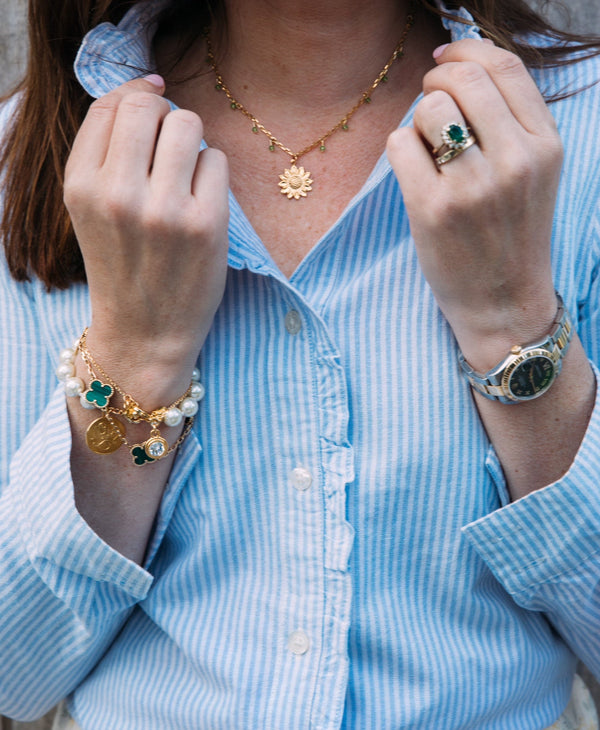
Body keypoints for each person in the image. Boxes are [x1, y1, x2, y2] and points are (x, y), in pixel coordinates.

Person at [1, 0, 600, 727]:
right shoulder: (29, 155)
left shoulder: (581, 126)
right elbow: (16, 670)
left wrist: (512, 321)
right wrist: (133, 359)